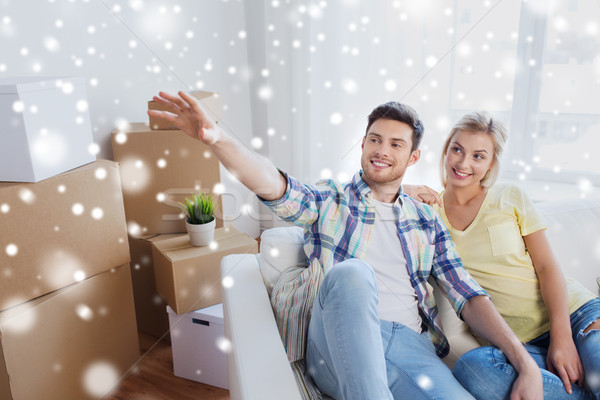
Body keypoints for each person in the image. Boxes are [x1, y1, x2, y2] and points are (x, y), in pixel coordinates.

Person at [148, 92, 543, 400]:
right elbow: (274, 184)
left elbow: (468, 294)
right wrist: (217, 139)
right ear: (363, 144)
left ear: (413, 156)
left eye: (395, 144)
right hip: (335, 341)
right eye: (374, 139)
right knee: (354, 273)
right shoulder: (330, 200)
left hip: (407, 346)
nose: (381, 151)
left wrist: (524, 361)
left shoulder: (426, 220)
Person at [407, 111, 600, 400]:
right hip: (518, 347)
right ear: (445, 150)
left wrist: (563, 338)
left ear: (491, 163)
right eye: (457, 149)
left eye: (478, 156)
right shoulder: (429, 214)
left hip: (575, 317)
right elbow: (367, 193)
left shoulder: (509, 196)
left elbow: (547, 267)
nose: (463, 163)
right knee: (472, 369)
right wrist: (401, 188)